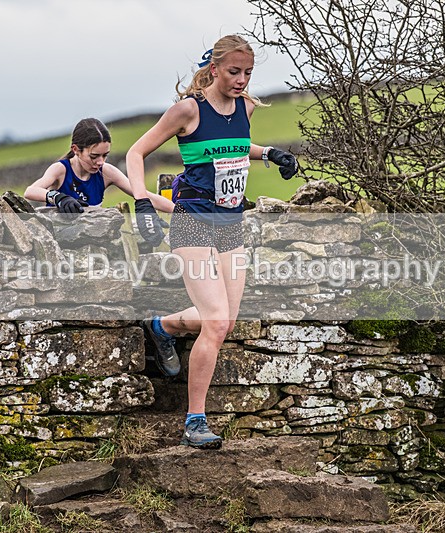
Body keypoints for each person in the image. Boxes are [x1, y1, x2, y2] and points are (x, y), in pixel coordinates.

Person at [126, 35, 298, 449]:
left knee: (221, 321)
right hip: (192, 223)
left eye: (248, 73)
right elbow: (135, 152)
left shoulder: (246, 107)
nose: (242, 80)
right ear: (215, 68)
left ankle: (162, 326)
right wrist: (142, 202)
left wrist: (269, 153)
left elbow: (231, 148)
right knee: (217, 320)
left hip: (230, 224)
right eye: (234, 72)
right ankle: (195, 421)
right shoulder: (189, 110)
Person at [24, 117, 173, 214]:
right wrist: (59, 198)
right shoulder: (61, 170)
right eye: (94, 156)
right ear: (76, 150)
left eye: (105, 155)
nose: (101, 162)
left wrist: (185, 214)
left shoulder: (107, 172)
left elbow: (146, 196)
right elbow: (30, 191)